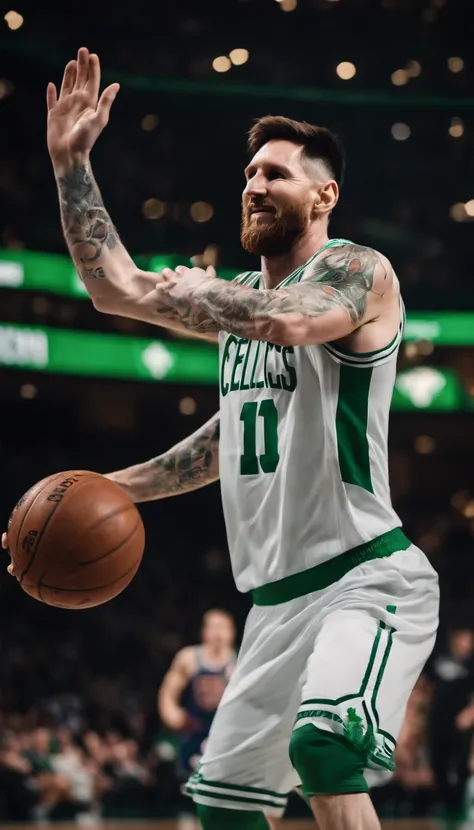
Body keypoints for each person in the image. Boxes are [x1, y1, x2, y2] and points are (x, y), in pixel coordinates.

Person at [4, 47, 440, 830]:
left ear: (324, 193)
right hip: (272, 606)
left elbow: (292, 320)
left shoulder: (359, 272)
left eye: (275, 173)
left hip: (366, 578)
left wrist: (201, 289)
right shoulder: (237, 299)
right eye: (248, 175)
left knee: (326, 752)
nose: (253, 185)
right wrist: (72, 165)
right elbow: (115, 290)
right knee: (226, 809)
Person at [158, 609, 236, 781]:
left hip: (226, 736)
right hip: (194, 730)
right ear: (204, 631)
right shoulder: (189, 658)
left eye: (224, 628)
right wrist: (174, 716)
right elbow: (167, 694)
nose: (219, 634)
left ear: (232, 632)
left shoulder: (240, 661)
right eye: (214, 627)